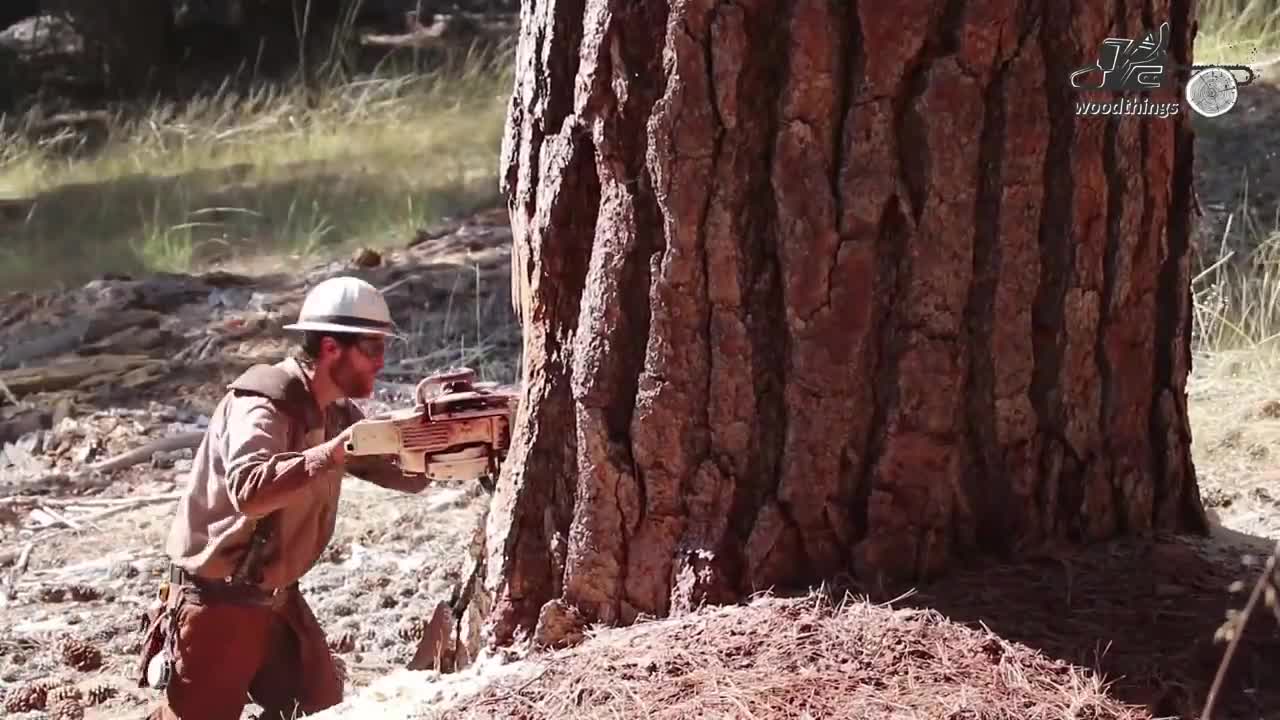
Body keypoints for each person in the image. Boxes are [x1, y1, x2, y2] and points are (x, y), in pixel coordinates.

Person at [138, 275, 431, 720]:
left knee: (318, 707)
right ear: (332, 348)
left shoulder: (333, 409)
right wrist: (332, 453)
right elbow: (251, 490)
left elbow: (403, 474)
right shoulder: (263, 404)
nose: (381, 361)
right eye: (372, 348)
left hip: (276, 601)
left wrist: (450, 443)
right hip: (217, 605)